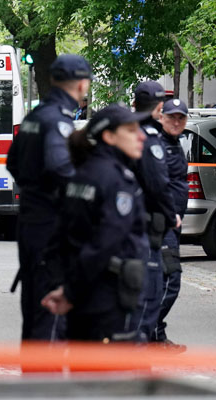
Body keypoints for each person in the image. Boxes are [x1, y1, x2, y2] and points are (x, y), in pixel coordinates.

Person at [42, 104, 148, 342]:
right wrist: (69, 292)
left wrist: (63, 286)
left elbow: (58, 240)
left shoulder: (81, 175)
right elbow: (105, 242)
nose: (141, 136)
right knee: (111, 375)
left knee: (84, 372)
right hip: (109, 298)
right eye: (131, 130)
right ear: (109, 136)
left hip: (83, 298)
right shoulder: (117, 180)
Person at [6, 54, 92, 341]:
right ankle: (47, 383)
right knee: (51, 317)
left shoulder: (34, 117)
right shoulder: (58, 122)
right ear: (81, 84)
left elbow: (13, 163)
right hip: (51, 229)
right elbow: (61, 169)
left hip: (31, 223)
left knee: (34, 313)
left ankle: (34, 381)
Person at [130, 81, 179, 342]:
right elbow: (159, 185)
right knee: (149, 294)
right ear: (160, 107)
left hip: (119, 225)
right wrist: (172, 217)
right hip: (147, 226)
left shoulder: (122, 131)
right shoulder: (150, 138)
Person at [152, 98, 189, 352]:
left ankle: (155, 335)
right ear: (161, 117)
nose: (176, 121)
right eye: (171, 116)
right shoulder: (156, 146)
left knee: (162, 281)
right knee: (170, 280)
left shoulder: (176, 145)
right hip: (161, 223)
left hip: (173, 223)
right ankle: (149, 334)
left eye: (180, 118)